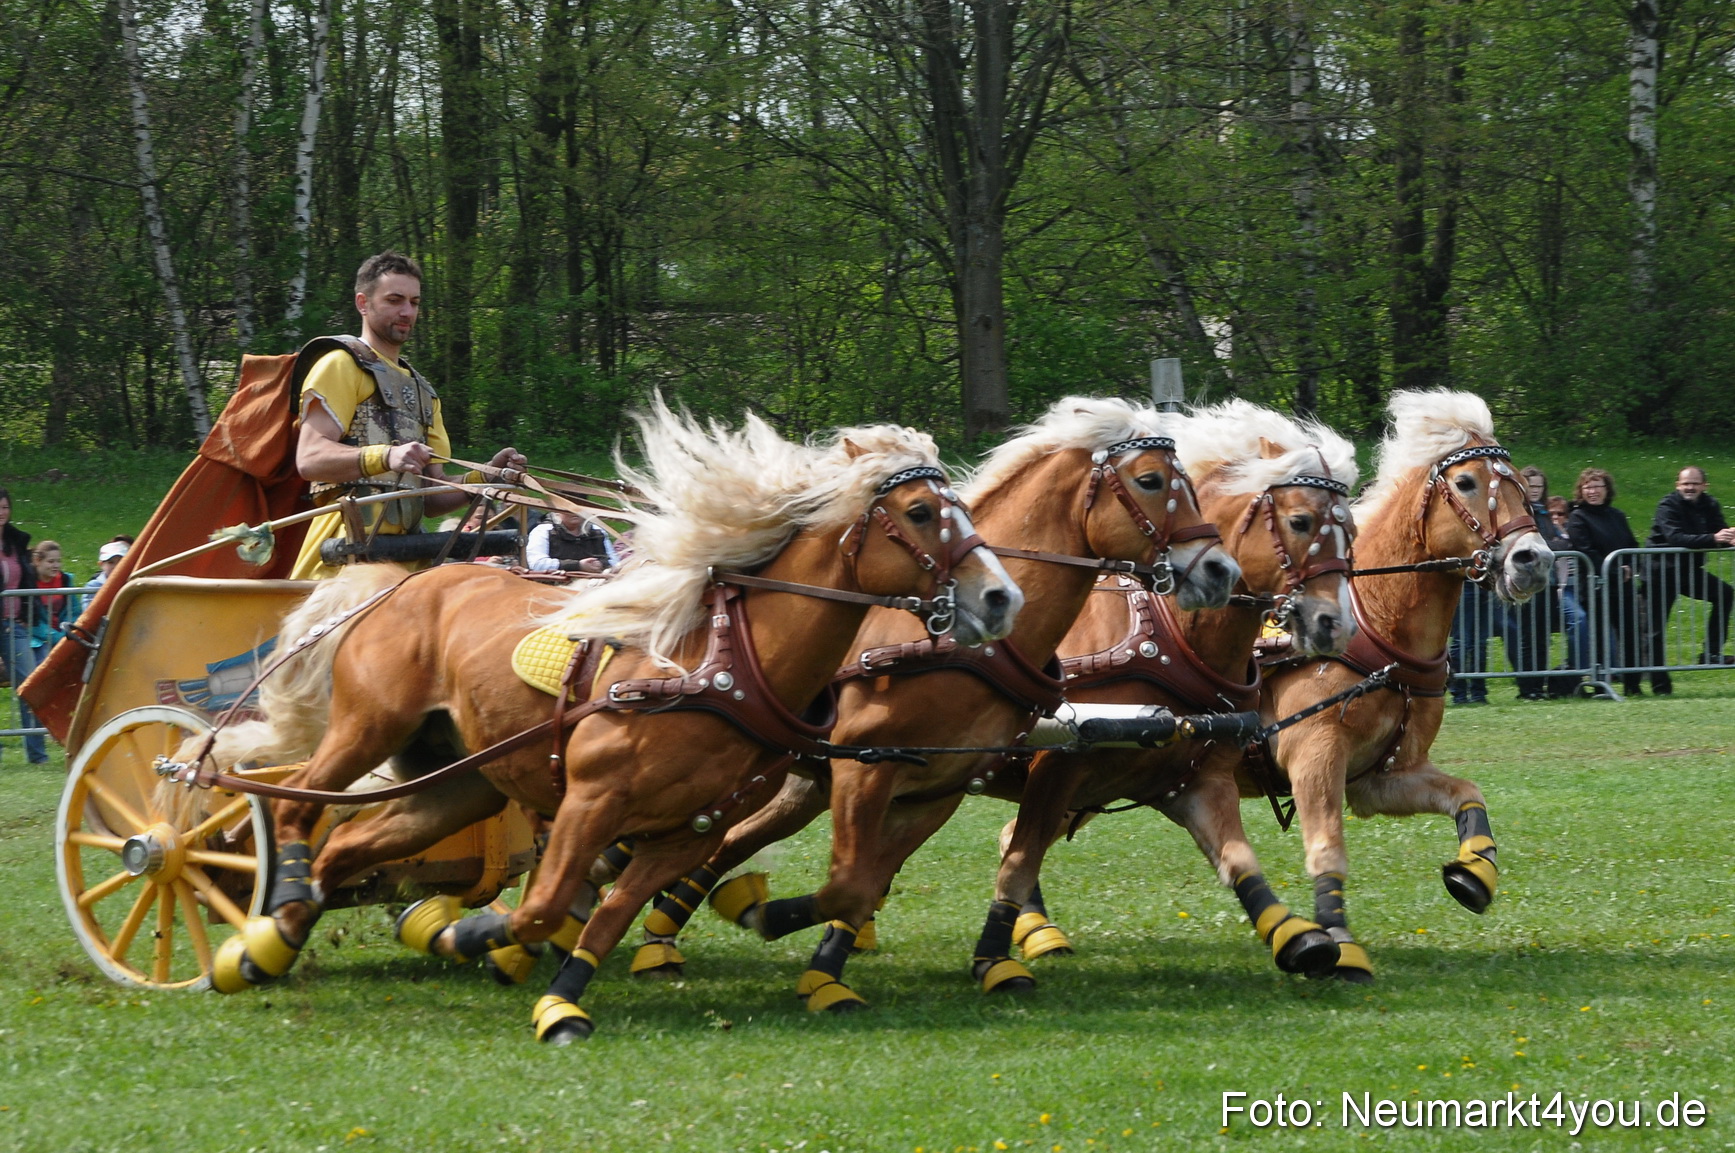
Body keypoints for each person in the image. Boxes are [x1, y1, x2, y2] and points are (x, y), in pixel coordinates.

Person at [289, 251, 527, 580]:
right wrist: (387, 455)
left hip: (409, 563)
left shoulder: (423, 392)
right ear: (363, 302)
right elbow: (310, 457)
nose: (407, 312)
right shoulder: (341, 364)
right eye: (394, 300)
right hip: (343, 564)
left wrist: (484, 477)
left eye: (414, 302)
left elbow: (432, 494)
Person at [1567, 468, 1658, 696]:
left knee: (1631, 637)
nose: (1593, 491)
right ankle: (1599, 683)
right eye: (1588, 487)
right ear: (1581, 491)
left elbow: (1631, 544)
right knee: (1599, 638)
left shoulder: (1616, 515)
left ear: (1607, 490)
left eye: (1598, 486)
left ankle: (1632, 685)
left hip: (1623, 589)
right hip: (1595, 588)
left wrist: (1629, 566)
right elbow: (1585, 550)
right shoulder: (1578, 517)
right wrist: (1615, 569)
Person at [1644, 466, 1735, 669]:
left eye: (1694, 483)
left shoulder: (1709, 504)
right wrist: (1714, 538)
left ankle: (1711, 653)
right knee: (1655, 628)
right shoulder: (1667, 505)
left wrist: (1730, 538)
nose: (1690, 487)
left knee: (1724, 593)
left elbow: (1718, 532)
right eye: (1685, 483)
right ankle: (1657, 680)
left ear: (1704, 485)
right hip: (1660, 572)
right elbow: (1675, 538)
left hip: (1687, 571)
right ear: (1677, 485)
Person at [1503, 466, 1560, 699]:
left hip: (1546, 581)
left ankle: (1539, 685)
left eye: (1539, 486)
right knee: (1527, 637)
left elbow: (1557, 543)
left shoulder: (1544, 513)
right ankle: (1527, 688)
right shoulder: (1521, 515)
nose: (1535, 490)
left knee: (1542, 638)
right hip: (1525, 582)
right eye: (1531, 486)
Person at [0, 488, 48, 763]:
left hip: (13, 624)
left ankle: (37, 754)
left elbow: (25, 579)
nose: (2, 513)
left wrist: (29, 611)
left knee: (30, 684)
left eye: (5, 507)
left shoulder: (16, 541)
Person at [1547, 496, 1592, 689]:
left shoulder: (1573, 530)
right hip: (1561, 589)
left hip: (1580, 587)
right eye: (1551, 514)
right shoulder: (1547, 533)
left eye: (1561, 514)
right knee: (1579, 618)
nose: (1556, 518)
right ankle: (1579, 671)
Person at [526, 509, 618, 574]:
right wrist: (578, 565)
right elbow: (537, 564)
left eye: (579, 507)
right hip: (554, 588)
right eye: (569, 508)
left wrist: (601, 564)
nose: (575, 511)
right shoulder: (543, 530)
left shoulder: (597, 531)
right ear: (557, 510)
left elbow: (614, 561)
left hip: (595, 586)